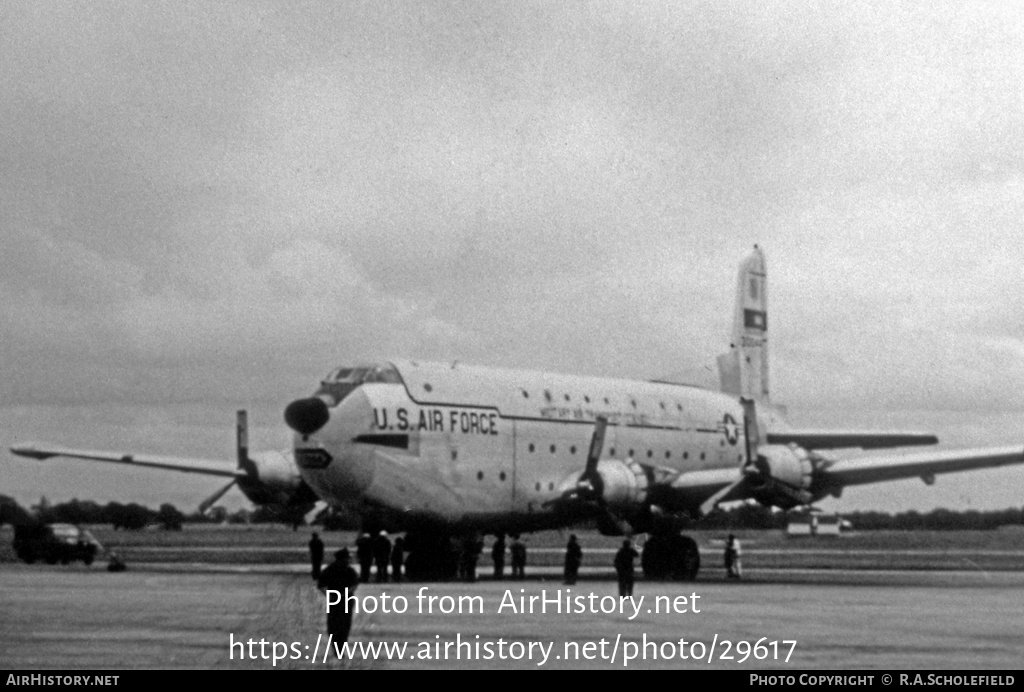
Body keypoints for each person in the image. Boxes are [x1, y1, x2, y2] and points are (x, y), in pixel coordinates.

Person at [318, 549, 359, 645]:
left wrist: (329, 595)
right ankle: (341, 643)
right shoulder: (349, 570)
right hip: (347, 600)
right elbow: (355, 584)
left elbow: (321, 585)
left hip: (333, 599)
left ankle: (335, 643)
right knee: (345, 622)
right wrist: (346, 593)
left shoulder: (329, 569)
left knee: (333, 622)